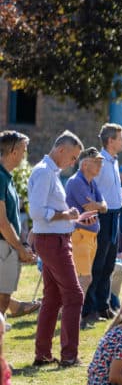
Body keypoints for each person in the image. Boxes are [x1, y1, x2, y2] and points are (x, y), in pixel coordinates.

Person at [27, 131, 85, 367]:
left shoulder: (49, 172)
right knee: (74, 295)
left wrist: (72, 219)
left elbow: (47, 213)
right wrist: (66, 215)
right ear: (61, 150)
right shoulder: (44, 172)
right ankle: (69, 355)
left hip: (54, 239)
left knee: (52, 298)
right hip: (53, 241)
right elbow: (37, 212)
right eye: (73, 157)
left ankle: (43, 354)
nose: (73, 163)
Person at [83, 123, 122, 328]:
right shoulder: (98, 162)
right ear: (110, 141)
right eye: (120, 137)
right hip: (103, 217)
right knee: (97, 264)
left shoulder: (113, 161)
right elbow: (89, 188)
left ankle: (103, 305)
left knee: (108, 264)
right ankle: (90, 308)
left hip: (115, 215)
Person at [0, 131, 37, 316]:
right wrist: (19, 248)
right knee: (2, 299)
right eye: (23, 150)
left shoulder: (6, 177)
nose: (25, 154)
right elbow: (2, 222)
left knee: (4, 298)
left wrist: (22, 245)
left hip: (8, 244)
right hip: (2, 245)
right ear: (13, 151)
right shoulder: (0, 177)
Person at [65, 148, 107, 296]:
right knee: (83, 278)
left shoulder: (91, 183)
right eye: (96, 162)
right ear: (84, 165)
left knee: (81, 278)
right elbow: (90, 207)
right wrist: (98, 205)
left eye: (100, 162)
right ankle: (71, 312)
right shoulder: (77, 181)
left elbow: (104, 207)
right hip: (80, 235)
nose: (100, 165)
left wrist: (98, 205)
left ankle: (68, 311)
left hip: (89, 237)